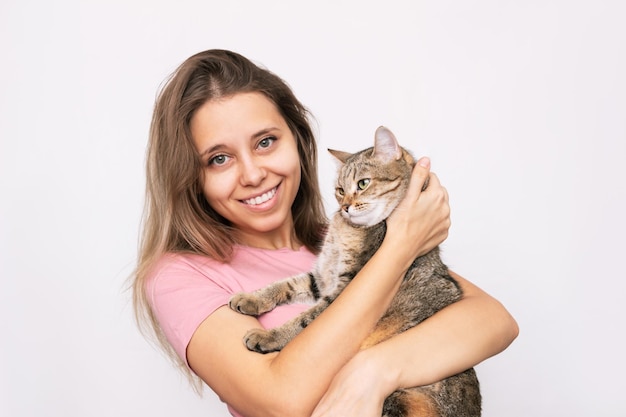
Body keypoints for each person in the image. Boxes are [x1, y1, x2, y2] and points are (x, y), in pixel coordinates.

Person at [132, 49, 518, 417]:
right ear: (190, 176)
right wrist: (401, 245)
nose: (252, 175)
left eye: (266, 142)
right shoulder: (180, 276)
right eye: (219, 159)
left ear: (298, 141)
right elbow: (281, 401)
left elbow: (494, 320)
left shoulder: (341, 236)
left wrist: (374, 371)